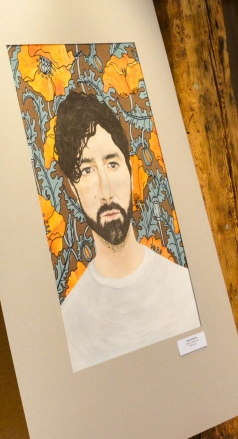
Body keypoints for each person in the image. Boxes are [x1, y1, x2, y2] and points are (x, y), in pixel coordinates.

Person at [52, 92, 200, 371]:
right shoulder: (69, 325)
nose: (106, 191)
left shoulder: (186, 290)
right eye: (87, 170)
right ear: (72, 188)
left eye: (112, 164)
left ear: (130, 172)